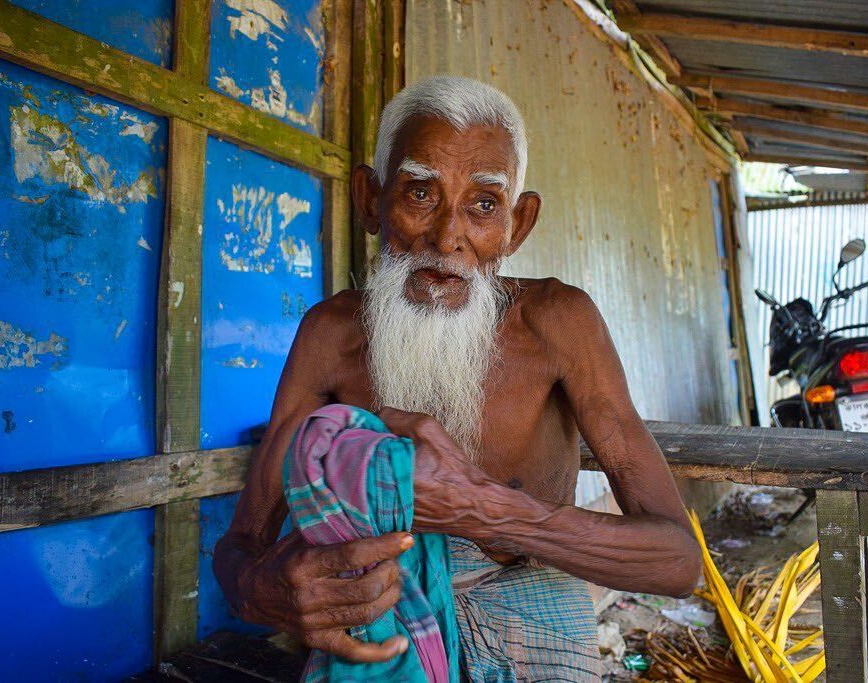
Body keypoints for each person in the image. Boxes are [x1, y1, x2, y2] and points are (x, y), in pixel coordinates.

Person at [214, 75, 701, 680]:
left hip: (532, 629)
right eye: (420, 193)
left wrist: (484, 511)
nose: (449, 237)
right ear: (371, 199)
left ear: (517, 225)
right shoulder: (330, 334)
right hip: (378, 637)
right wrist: (267, 591)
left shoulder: (558, 323)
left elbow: (678, 562)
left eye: (483, 205)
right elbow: (241, 546)